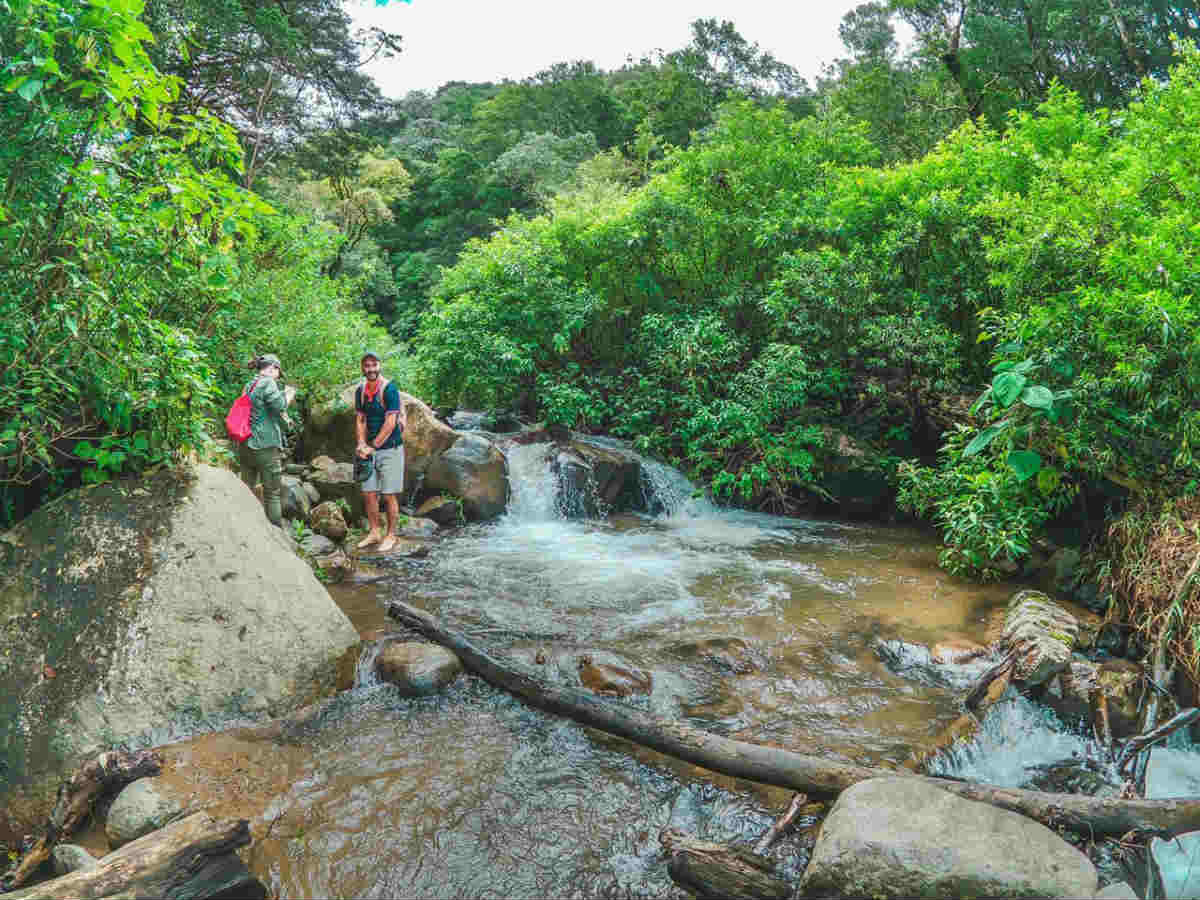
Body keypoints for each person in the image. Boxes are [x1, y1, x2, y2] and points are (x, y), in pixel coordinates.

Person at [355, 350, 407, 552]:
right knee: (369, 493)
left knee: (389, 494)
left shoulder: (389, 389)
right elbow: (360, 419)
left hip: (390, 448)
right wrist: (360, 443)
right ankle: (375, 531)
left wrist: (372, 446)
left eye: (374, 365)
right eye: (367, 366)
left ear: (380, 366)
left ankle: (391, 535)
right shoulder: (360, 390)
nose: (371, 369)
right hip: (368, 450)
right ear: (362, 368)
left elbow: (391, 422)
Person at [238, 353, 290, 526]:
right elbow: (279, 406)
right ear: (273, 368)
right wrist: (288, 396)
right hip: (265, 445)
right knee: (272, 494)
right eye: (278, 372)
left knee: (246, 490)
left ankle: (247, 529)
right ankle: (277, 541)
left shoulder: (249, 384)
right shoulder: (268, 382)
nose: (278, 376)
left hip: (245, 444)